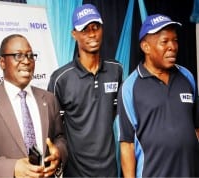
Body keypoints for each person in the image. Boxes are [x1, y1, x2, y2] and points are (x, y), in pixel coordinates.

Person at [0, 34, 67, 177]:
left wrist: (59, 153)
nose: (26, 61)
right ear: (2, 62)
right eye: (18, 55)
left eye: (30, 55)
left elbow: (60, 137)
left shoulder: (49, 99)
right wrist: (12, 168)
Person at [117, 14, 199, 177]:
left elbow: (196, 127)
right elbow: (127, 145)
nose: (173, 46)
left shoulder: (187, 77)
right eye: (165, 41)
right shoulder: (130, 87)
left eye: (175, 40)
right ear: (146, 47)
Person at [47, 4, 123, 177]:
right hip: (75, 172)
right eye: (85, 30)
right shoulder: (60, 78)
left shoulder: (115, 70)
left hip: (109, 170)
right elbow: (54, 130)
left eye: (95, 27)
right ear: (74, 34)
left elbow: (112, 112)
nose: (92, 34)